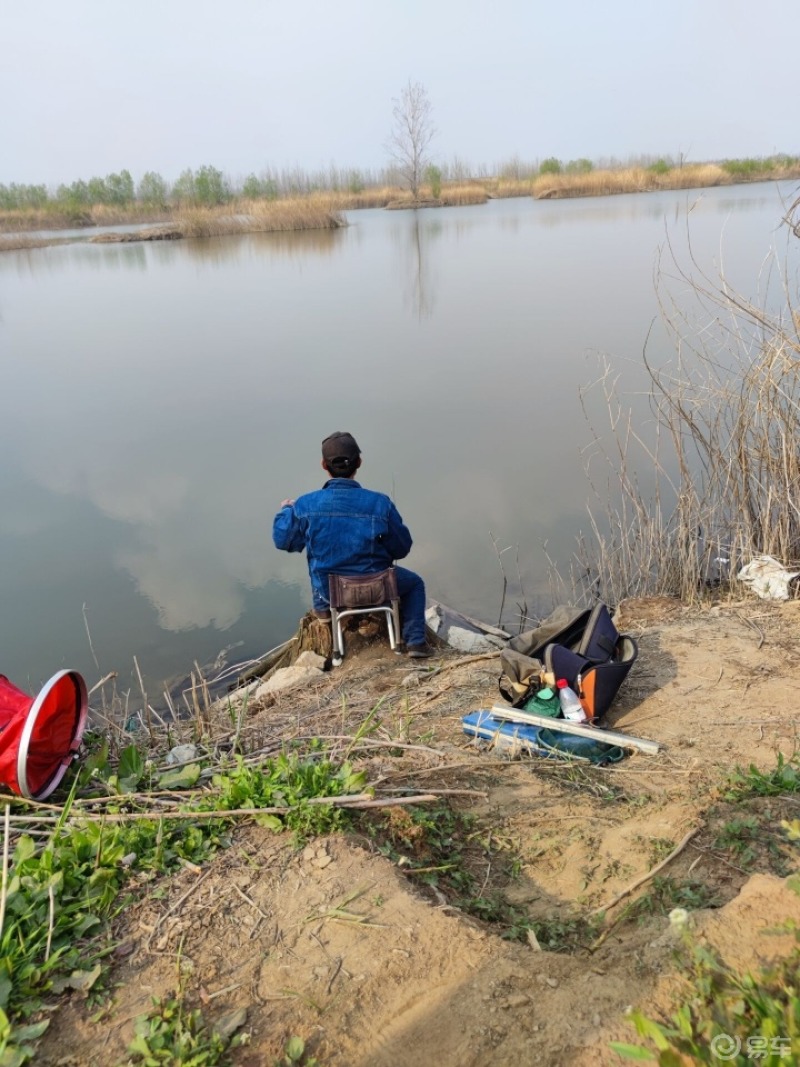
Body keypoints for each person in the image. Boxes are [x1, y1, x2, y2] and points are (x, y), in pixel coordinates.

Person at [272, 431, 431, 657]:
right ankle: (415, 643)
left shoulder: (306, 504)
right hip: (377, 587)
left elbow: (284, 541)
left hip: (332, 592)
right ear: (359, 462)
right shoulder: (380, 502)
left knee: (318, 561)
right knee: (414, 584)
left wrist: (286, 510)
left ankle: (323, 611)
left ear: (323, 465)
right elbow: (402, 548)